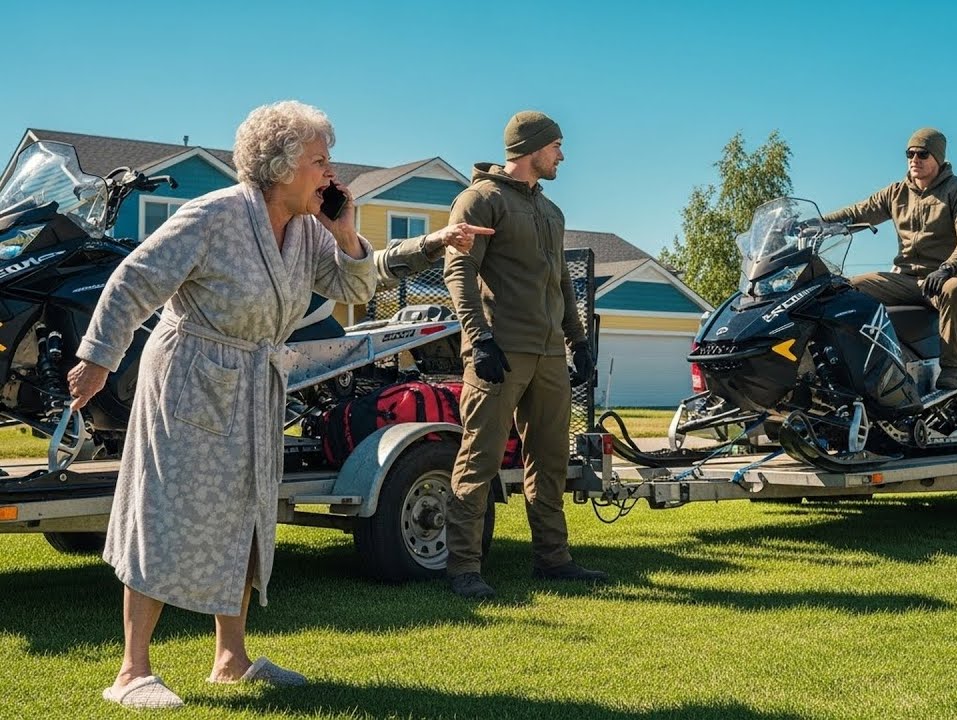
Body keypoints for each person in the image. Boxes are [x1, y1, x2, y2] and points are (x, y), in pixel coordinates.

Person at [67, 100, 378, 709]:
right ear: (282, 164)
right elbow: (133, 281)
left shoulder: (310, 229)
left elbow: (354, 289)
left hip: (255, 380)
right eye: (319, 161)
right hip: (188, 377)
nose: (330, 174)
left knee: (247, 515)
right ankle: (132, 671)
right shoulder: (212, 216)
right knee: (163, 511)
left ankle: (231, 660)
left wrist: (346, 232)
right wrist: (99, 358)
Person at [442, 110, 606, 599]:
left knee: (551, 460)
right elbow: (459, 273)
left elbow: (561, 282)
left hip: (549, 353)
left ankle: (553, 561)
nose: (562, 155)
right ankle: (464, 569)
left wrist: (578, 341)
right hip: (500, 351)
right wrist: (481, 338)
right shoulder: (479, 200)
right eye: (556, 146)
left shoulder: (551, 212)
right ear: (532, 148)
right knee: (480, 459)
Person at [820, 128, 957, 390]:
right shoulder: (896, 193)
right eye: (910, 153)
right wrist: (815, 224)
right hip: (904, 280)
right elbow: (857, 213)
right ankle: (847, 366)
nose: (914, 159)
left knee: (956, 289)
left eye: (922, 154)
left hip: (940, 279)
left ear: (938, 158)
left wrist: (948, 269)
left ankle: (953, 369)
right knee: (844, 288)